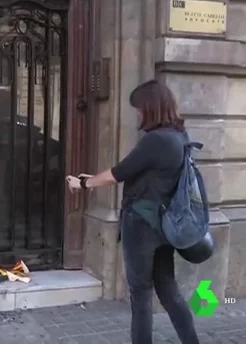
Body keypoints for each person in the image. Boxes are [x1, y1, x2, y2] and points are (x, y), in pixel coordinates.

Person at [65, 80, 200, 344]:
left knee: (140, 295)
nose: (137, 113)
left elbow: (119, 173)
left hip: (141, 225)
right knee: (168, 290)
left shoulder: (155, 140)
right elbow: (144, 174)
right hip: (163, 224)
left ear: (150, 107)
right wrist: (93, 177)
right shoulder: (178, 137)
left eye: (139, 108)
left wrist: (83, 183)